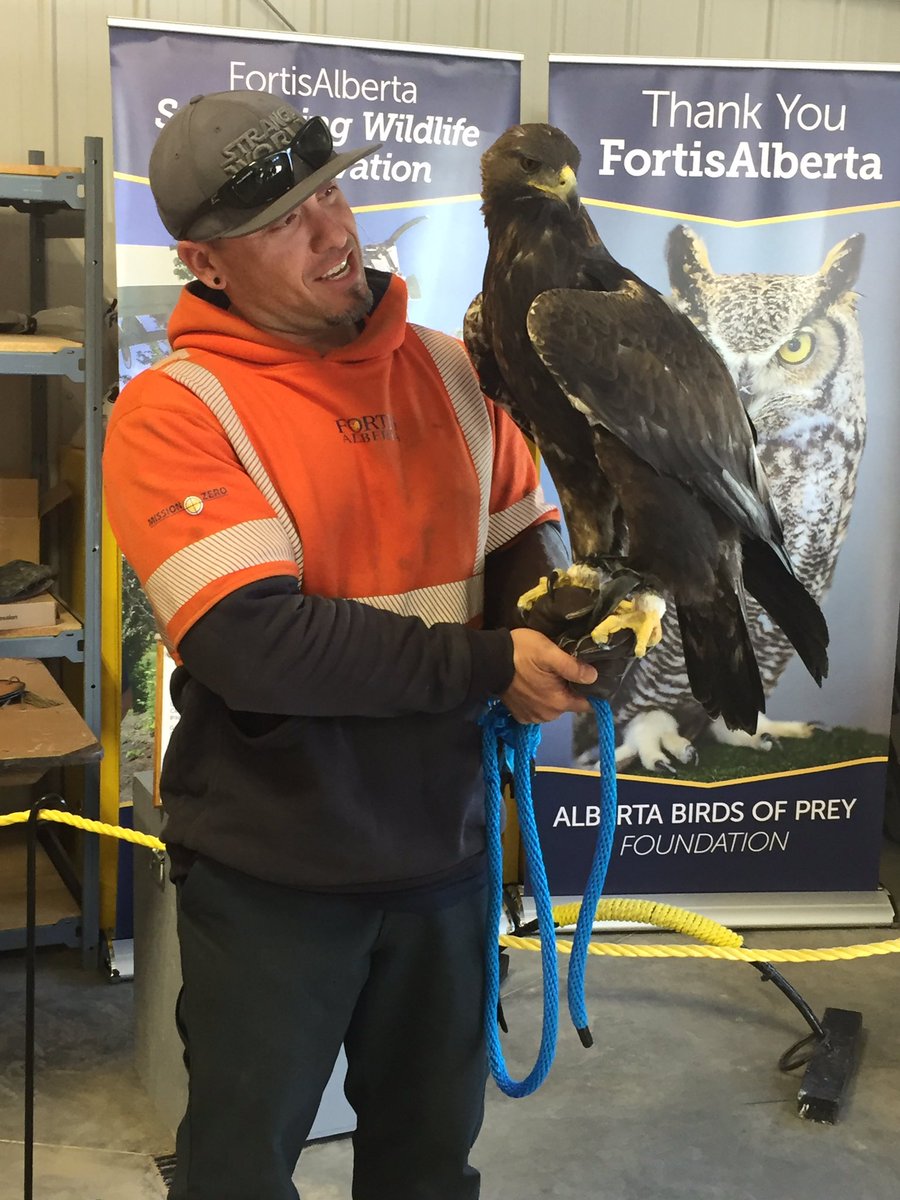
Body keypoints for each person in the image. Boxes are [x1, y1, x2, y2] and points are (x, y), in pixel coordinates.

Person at [103, 91, 630, 1200]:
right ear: (204, 263)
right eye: (286, 221)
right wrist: (495, 666)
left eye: (331, 190)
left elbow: (523, 551)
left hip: (446, 859)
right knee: (238, 1173)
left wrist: (573, 632)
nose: (335, 230)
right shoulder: (173, 412)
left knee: (429, 1168)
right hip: (273, 879)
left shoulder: (456, 368)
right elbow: (258, 642)